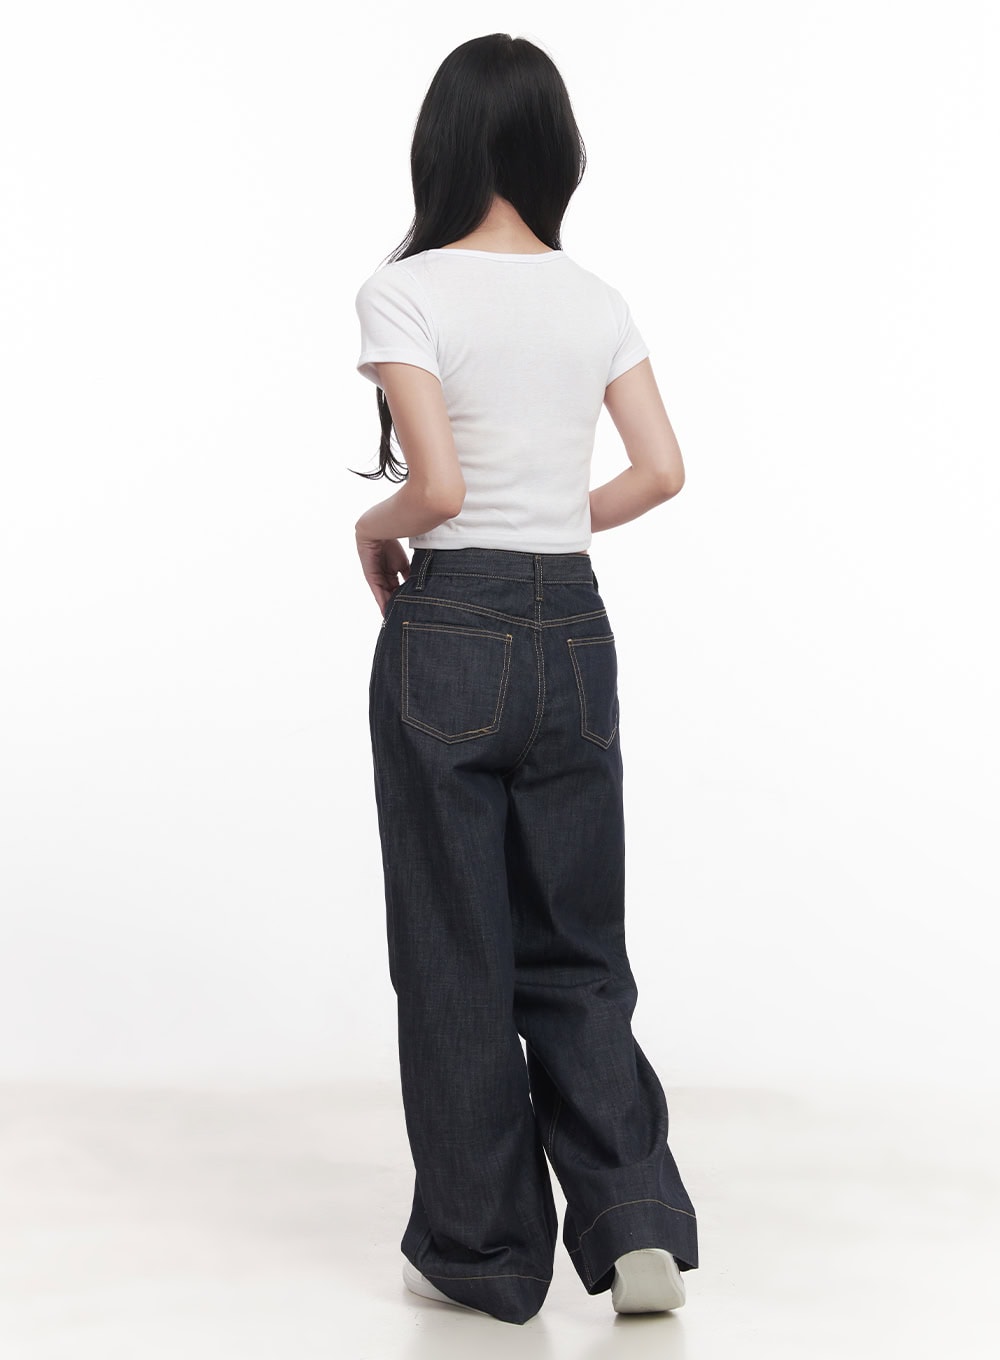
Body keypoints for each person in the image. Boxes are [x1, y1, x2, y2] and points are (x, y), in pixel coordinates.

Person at [352, 33, 699, 1327]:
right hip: (573, 633)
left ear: (439, 145)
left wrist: (370, 528)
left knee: (457, 953)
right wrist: (553, 520)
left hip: (451, 632)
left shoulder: (406, 292)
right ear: (557, 150)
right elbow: (662, 471)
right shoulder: (594, 297)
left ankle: (484, 1253)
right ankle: (634, 1220)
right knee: (578, 944)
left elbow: (438, 491)